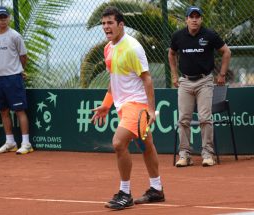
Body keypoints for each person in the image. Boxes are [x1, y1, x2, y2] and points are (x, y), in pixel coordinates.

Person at [91, 6, 165, 210]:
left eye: (110, 23)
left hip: (138, 104)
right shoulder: (109, 48)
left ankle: (125, 193)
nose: (106, 27)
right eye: (103, 23)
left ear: (121, 25)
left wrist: (151, 109)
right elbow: (113, 80)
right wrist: (106, 105)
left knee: (118, 143)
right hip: (122, 105)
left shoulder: (133, 47)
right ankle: (156, 188)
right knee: (146, 145)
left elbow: (147, 79)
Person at [168, 6, 231, 167]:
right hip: (185, 81)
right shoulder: (178, 36)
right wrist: (174, 75)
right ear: (186, 19)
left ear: (201, 19)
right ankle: (184, 155)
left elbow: (226, 52)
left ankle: (208, 154)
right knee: (183, 119)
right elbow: (171, 53)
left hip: (205, 81)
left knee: (205, 118)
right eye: (191, 17)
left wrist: (222, 74)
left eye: (197, 17)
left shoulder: (209, 35)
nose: (194, 19)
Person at [0, 6, 33, 155]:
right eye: (0, 17)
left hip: (14, 78)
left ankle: (26, 143)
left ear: (9, 18)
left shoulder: (15, 36)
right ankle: (10, 142)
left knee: (19, 110)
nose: (2, 20)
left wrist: (18, 70)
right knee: (3, 111)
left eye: (5, 17)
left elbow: (23, 56)